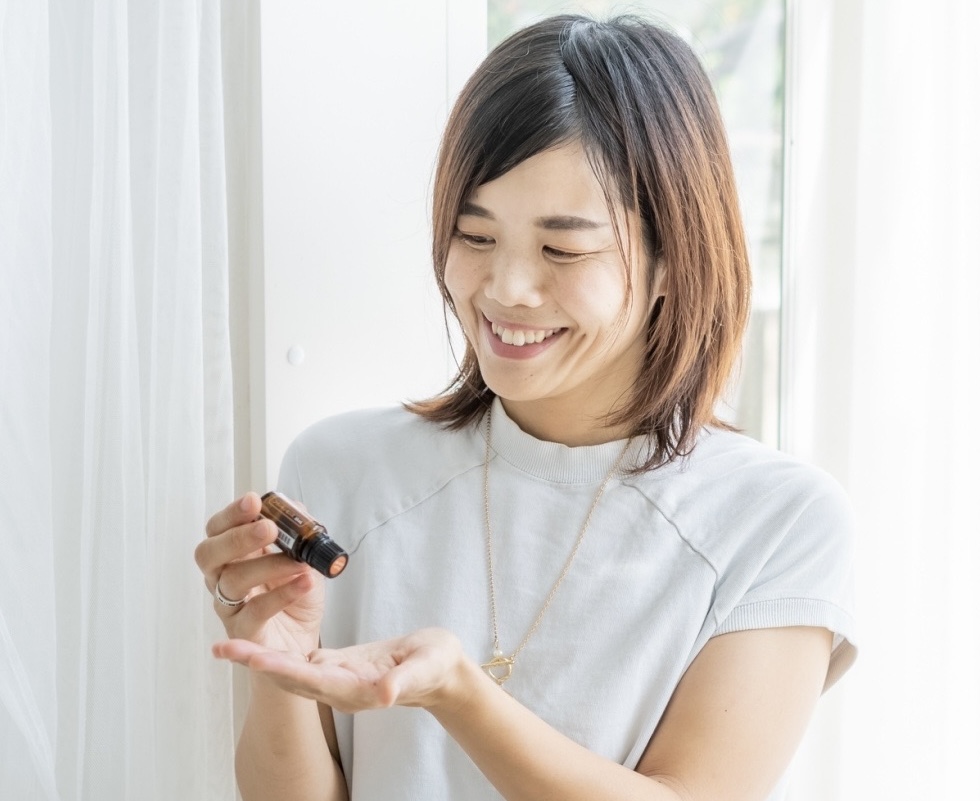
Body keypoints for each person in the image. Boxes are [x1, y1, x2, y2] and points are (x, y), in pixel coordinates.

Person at [195, 13, 856, 801]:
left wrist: (461, 694)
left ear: (673, 261)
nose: (506, 288)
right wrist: (278, 665)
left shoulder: (776, 519)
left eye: (562, 249)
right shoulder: (342, 469)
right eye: (475, 236)